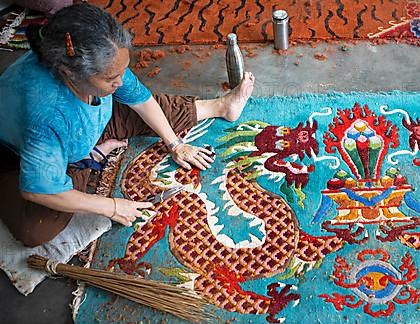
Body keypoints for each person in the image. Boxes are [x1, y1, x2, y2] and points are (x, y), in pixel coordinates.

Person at [0, 3, 255, 247]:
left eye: (122, 71)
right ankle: (80, 162)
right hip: (20, 155)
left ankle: (221, 107)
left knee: (148, 112)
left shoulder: (100, 60)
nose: (121, 82)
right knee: (36, 229)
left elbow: (141, 100)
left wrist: (175, 144)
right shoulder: (48, 114)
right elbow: (40, 191)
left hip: (84, 128)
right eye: (112, 78)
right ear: (70, 73)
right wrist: (112, 206)